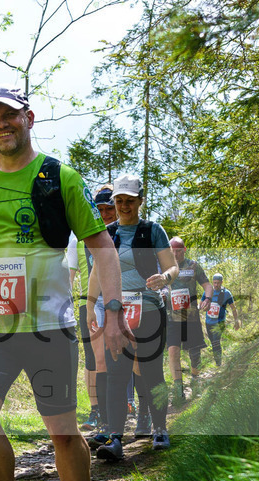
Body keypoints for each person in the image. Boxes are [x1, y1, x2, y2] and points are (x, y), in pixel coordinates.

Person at [0, 86, 132, 481]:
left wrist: (112, 313)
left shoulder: (59, 178)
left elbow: (102, 249)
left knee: (63, 432)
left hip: (49, 328)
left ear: (28, 118)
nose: (0, 124)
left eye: (8, 115)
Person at [87, 173, 179, 459]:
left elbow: (172, 267)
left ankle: (160, 429)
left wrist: (164, 278)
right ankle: (115, 438)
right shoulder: (108, 233)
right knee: (117, 373)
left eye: (130, 201)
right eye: (120, 201)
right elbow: (96, 271)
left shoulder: (153, 230)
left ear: (140, 201)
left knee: (151, 371)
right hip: (117, 312)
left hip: (150, 308)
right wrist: (90, 303)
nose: (124, 206)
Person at [69, 184, 116, 432]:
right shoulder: (79, 238)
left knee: (123, 355)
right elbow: (71, 272)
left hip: (119, 300)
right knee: (93, 360)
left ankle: (125, 405)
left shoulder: (122, 234)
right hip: (87, 302)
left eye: (110, 208)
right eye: (101, 209)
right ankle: (97, 411)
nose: (106, 213)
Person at [165, 236, 213, 405]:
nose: (176, 254)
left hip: (191, 317)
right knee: (173, 351)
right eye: (173, 251)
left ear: (184, 250)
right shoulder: (165, 267)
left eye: (179, 251)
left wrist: (207, 299)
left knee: (194, 352)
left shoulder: (193, 266)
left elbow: (207, 285)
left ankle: (195, 380)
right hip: (171, 318)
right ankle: (178, 391)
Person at [204, 272, 241, 367]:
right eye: (214, 282)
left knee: (216, 342)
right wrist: (202, 306)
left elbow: (233, 308)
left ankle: (218, 364)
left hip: (219, 322)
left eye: (218, 283)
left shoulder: (226, 293)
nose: (216, 285)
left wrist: (236, 320)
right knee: (213, 342)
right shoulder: (208, 292)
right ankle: (217, 361)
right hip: (208, 322)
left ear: (222, 282)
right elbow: (201, 304)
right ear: (212, 282)